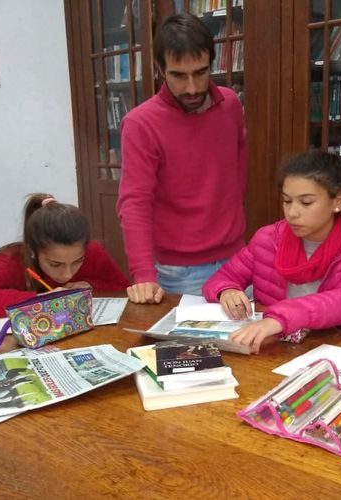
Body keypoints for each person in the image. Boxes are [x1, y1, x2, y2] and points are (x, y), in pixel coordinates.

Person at [116, 12, 247, 304]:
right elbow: (135, 202)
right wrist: (143, 274)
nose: (192, 87)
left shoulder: (230, 106)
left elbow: (238, 172)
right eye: (178, 75)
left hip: (238, 260)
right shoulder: (140, 124)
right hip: (180, 272)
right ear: (160, 69)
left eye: (200, 72)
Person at [202, 151, 341, 354]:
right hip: (271, 347)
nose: (292, 213)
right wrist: (226, 291)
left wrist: (281, 318)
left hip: (332, 349)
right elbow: (223, 277)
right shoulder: (268, 238)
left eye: (306, 202)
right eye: (287, 201)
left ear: (339, 201)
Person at [0, 194, 129, 321]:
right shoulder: (12, 262)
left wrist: (91, 285)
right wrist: (37, 301)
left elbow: (123, 289)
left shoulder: (92, 252)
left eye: (77, 262)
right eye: (55, 264)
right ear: (33, 251)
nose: (67, 274)